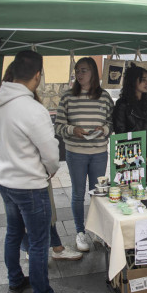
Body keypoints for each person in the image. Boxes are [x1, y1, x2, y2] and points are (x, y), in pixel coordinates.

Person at [0, 51, 74, 293]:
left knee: (13, 233)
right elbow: (51, 153)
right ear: (37, 75)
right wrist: (50, 170)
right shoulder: (33, 109)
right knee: (39, 242)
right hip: (29, 185)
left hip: (6, 181)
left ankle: (15, 281)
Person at [54, 57, 114, 252]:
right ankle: (80, 232)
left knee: (97, 193)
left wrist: (104, 129)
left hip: (99, 152)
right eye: (77, 70)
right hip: (76, 153)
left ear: (93, 73)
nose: (79, 74)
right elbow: (59, 127)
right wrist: (73, 130)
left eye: (84, 70)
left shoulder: (104, 97)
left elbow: (112, 123)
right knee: (78, 193)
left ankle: (97, 230)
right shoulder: (67, 97)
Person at [113, 64, 147, 184]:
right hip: (130, 162)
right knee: (132, 197)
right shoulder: (122, 105)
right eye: (143, 80)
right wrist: (140, 156)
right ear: (133, 81)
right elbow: (121, 136)